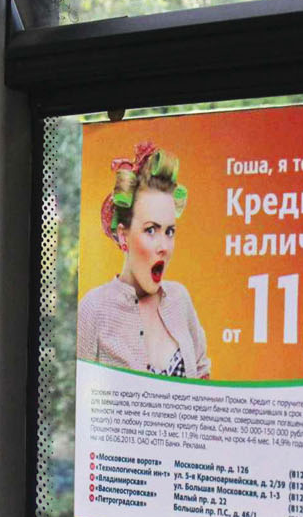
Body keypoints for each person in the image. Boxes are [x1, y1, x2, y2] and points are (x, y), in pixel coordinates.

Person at [77, 142, 210, 378]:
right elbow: (78, 390)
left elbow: (202, 373)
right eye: (151, 230)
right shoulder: (94, 309)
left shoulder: (180, 299)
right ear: (123, 235)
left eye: (169, 231)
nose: (164, 247)